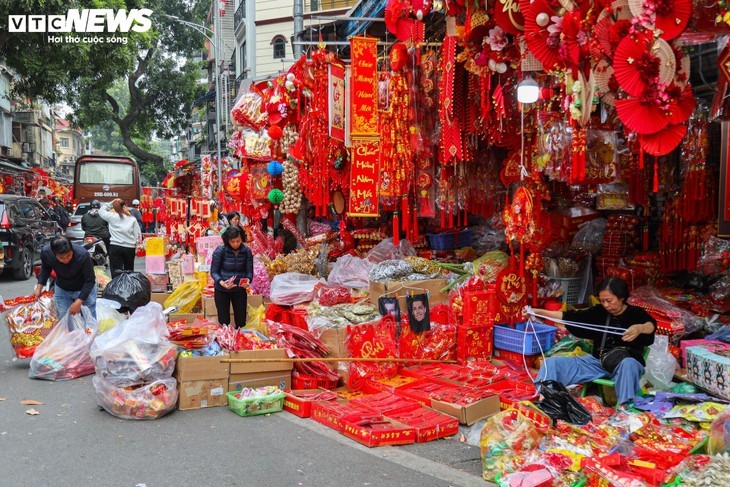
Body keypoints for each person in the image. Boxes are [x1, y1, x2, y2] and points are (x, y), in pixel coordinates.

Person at [528, 277, 656, 407]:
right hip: (597, 362)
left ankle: (625, 409)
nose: (606, 305)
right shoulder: (599, 312)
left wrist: (640, 328)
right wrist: (538, 312)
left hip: (624, 364)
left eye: (609, 300)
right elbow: (570, 317)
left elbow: (651, 325)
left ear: (622, 297)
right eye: (602, 301)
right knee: (552, 363)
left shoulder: (636, 313)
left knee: (628, 363)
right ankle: (544, 402)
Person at [33, 236, 97, 320]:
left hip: (83, 288)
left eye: (69, 255)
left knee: (89, 318)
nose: (66, 259)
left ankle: (90, 333)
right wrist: (39, 288)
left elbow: (90, 280)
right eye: (61, 258)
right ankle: (69, 333)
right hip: (62, 289)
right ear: (53, 253)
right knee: (64, 318)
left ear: (72, 250)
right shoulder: (46, 252)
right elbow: (45, 269)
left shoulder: (82, 254)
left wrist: (79, 301)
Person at [210, 226, 253, 328]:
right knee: (224, 321)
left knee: (241, 320)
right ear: (227, 240)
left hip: (239, 290)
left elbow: (249, 271)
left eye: (238, 241)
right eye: (232, 241)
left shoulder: (246, 251)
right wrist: (222, 282)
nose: (235, 244)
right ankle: (226, 341)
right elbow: (214, 271)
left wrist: (248, 280)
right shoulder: (220, 250)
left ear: (242, 238)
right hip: (222, 290)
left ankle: (240, 341)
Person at [99, 198, 141, 278]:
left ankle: (116, 288)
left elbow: (101, 211)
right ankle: (128, 288)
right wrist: (135, 244)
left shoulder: (111, 216)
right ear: (125, 206)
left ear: (114, 208)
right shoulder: (132, 219)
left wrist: (111, 203)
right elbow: (137, 235)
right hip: (129, 247)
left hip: (115, 246)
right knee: (129, 271)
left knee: (116, 271)